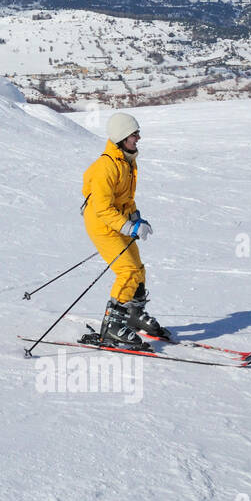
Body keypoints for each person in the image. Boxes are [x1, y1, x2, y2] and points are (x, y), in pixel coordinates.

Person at [80, 112, 170, 347]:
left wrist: (136, 217)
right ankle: (112, 326)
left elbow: (126, 199)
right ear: (121, 137)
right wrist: (128, 226)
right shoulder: (106, 167)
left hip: (118, 220)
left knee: (138, 269)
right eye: (134, 134)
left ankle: (133, 314)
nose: (138, 137)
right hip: (102, 224)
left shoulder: (127, 161)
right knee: (127, 271)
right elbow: (101, 209)